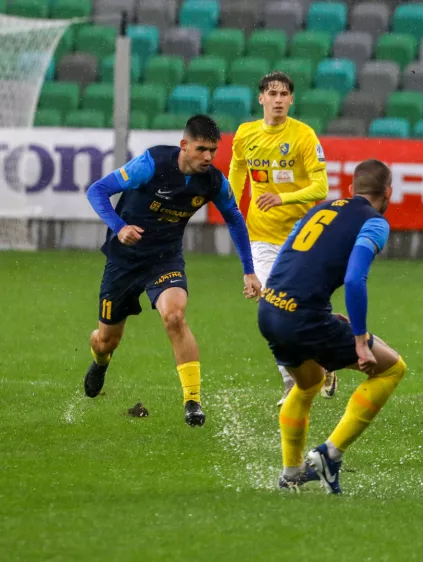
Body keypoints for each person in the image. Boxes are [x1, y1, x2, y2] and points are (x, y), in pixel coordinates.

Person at [84, 115, 260, 426]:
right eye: (201, 149)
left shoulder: (214, 181)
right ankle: (100, 361)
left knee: (175, 316)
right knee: (106, 340)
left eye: (213, 150)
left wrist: (249, 270)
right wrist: (119, 227)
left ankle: (192, 401)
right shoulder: (151, 163)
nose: (208, 157)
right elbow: (97, 190)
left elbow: (234, 217)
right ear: (184, 145)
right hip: (124, 260)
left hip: (165, 258)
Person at [258, 159, 406, 493]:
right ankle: (329, 453)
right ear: (389, 193)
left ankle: (292, 472)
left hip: (270, 309)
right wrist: (359, 340)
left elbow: (288, 255)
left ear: (352, 189)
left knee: (309, 382)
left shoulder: (319, 210)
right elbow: (355, 280)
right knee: (391, 369)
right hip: (303, 317)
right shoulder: (375, 221)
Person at [228, 71, 336, 406]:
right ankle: (292, 380)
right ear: (260, 98)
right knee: (270, 309)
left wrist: (282, 198)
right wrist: (231, 207)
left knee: (301, 306)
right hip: (261, 236)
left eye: (284, 94)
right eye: (272, 93)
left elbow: (322, 188)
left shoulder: (303, 136)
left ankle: (325, 358)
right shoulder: (245, 135)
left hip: (302, 235)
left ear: (291, 100)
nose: (278, 99)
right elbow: (237, 170)